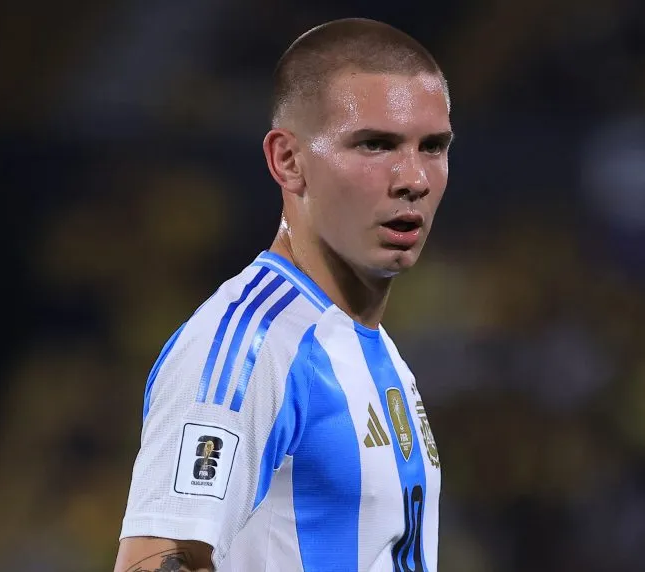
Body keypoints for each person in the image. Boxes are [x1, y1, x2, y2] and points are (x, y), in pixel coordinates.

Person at [114, 17, 452, 572]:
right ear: (287, 162)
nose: (412, 177)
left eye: (433, 147)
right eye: (375, 144)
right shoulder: (252, 343)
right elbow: (156, 561)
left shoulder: (368, 343)